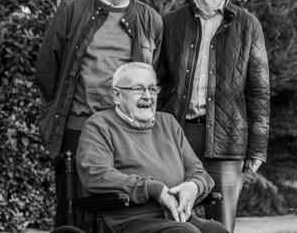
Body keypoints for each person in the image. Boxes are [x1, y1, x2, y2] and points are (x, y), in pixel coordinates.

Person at [35, 0, 162, 228]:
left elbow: (153, 76)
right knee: (73, 213)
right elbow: (46, 70)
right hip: (77, 130)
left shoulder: (150, 19)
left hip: (127, 133)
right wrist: (67, 108)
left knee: (123, 211)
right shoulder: (72, 9)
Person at [157, 0, 270, 232]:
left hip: (228, 140)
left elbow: (258, 91)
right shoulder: (171, 23)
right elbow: (157, 82)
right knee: (174, 220)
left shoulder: (248, 25)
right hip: (178, 135)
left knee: (221, 226)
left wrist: (257, 149)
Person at [76, 62, 228, 233]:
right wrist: (154, 189)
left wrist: (194, 185)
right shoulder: (99, 126)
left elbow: (199, 172)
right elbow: (95, 175)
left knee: (216, 230)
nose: (148, 96)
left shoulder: (169, 123)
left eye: (152, 89)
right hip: (128, 221)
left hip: (176, 217)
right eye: (138, 89)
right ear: (117, 95)